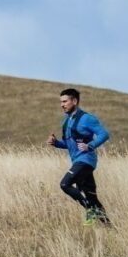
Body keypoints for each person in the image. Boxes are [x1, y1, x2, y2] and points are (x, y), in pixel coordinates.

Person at [47, 88, 111, 226]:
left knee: (65, 184)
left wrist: (91, 145)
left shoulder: (87, 118)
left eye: (65, 101)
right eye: (61, 102)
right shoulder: (66, 121)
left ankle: (89, 209)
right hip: (77, 161)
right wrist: (56, 143)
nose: (62, 105)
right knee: (92, 197)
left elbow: (104, 134)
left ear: (74, 101)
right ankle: (110, 228)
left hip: (86, 161)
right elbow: (70, 144)